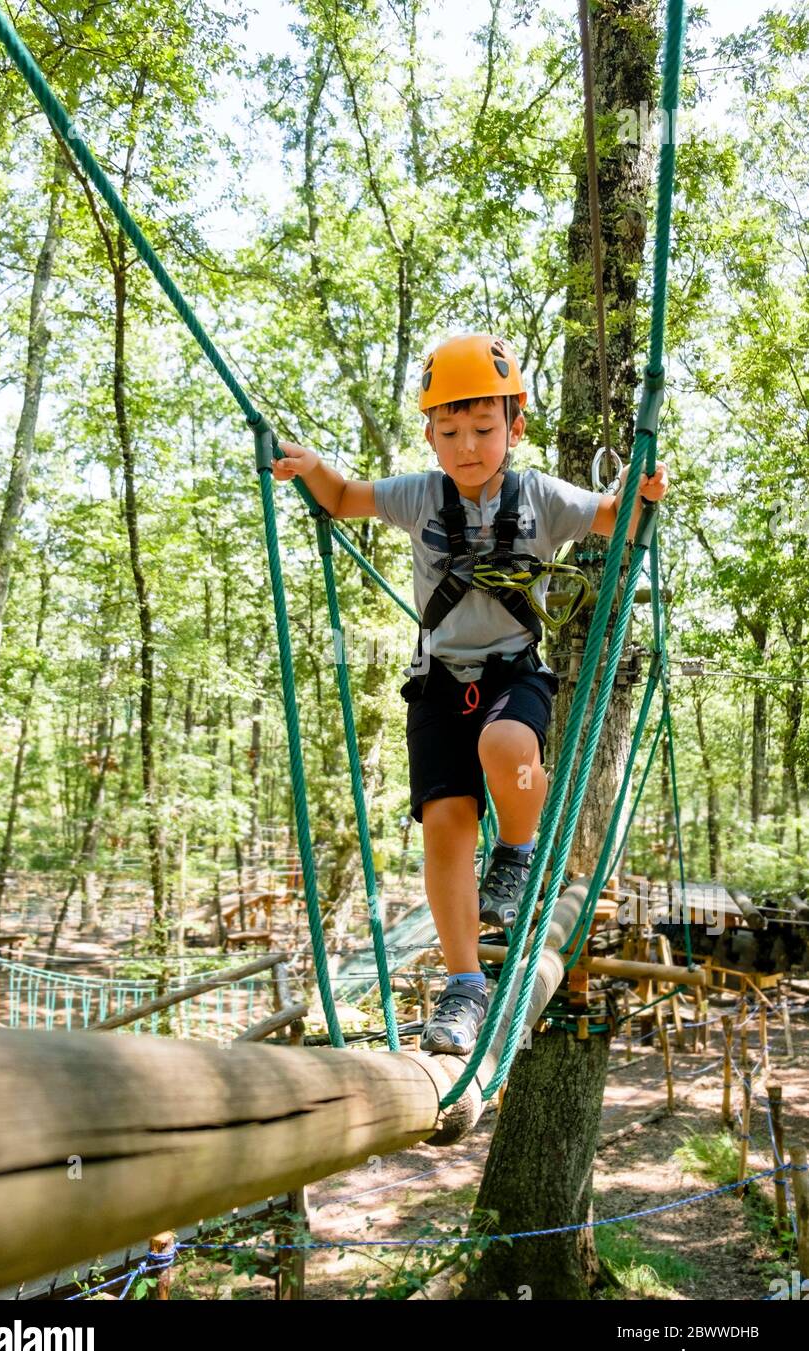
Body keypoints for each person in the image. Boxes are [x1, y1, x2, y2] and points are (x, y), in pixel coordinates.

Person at [273, 333, 669, 1055]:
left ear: (514, 429)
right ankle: (463, 987)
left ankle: (517, 849)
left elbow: (618, 521)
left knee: (508, 746)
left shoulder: (541, 497)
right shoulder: (417, 495)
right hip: (435, 685)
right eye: (449, 432)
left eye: (484, 430)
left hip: (512, 675)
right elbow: (342, 500)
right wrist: (312, 468)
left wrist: (641, 495)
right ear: (428, 434)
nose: (467, 446)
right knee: (446, 828)